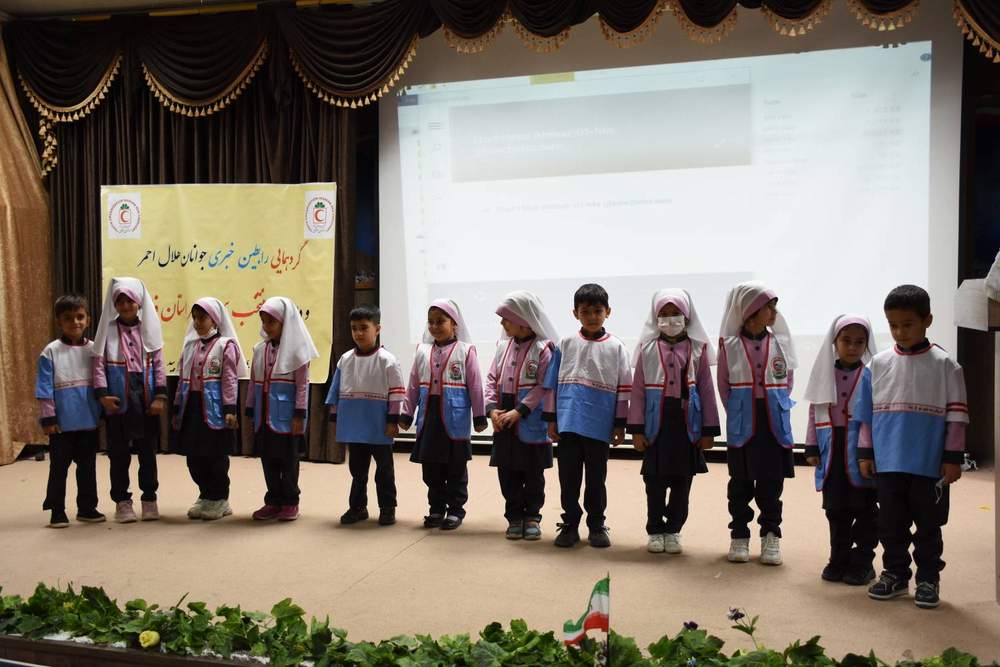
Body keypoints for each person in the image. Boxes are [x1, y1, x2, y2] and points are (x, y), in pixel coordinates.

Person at [856, 285, 968, 609]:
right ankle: (895, 574)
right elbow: (865, 416)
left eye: (908, 324)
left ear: (927, 320)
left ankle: (928, 578)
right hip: (888, 463)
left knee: (929, 526)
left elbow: (957, 417)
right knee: (890, 524)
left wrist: (952, 458)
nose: (900, 332)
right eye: (893, 325)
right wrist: (866, 452)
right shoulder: (877, 364)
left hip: (928, 464)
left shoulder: (946, 365)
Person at [628, 288, 720, 554]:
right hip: (656, 428)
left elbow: (706, 389)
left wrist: (709, 430)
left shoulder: (697, 349)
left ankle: (674, 529)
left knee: (682, 484)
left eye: (675, 313)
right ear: (655, 318)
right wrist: (636, 430)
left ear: (687, 316)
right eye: (664, 314)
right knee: (654, 485)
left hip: (686, 428)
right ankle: (655, 529)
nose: (670, 319)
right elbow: (638, 391)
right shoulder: (646, 349)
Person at [543, 283, 631, 549]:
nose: (592, 316)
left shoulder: (616, 347)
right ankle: (570, 524)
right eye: (585, 311)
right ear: (575, 313)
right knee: (568, 479)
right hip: (568, 425)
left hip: (599, 427)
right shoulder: (565, 344)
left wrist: (619, 425)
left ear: (608, 312)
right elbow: (551, 384)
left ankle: (596, 524)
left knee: (596, 480)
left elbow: (624, 389)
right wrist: (551, 419)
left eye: (597, 311)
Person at [717, 281, 797, 565]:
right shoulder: (729, 345)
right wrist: (738, 410)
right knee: (740, 484)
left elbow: (787, 381)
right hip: (743, 425)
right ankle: (739, 535)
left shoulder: (780, 343)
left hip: (773, 424)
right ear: (750, 311)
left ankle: (771, 534)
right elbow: (724, 385)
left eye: (775, 307)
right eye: (768, 307)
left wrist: (775, 403)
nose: (774, 313)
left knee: (771, 484)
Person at [803, 314, 879, 585]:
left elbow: (874, 415)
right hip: (833, 451)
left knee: (866, 511)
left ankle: (863, 561)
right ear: (834, 342)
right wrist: (812, 445)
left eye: (859, 342)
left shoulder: (871, 374)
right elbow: (815, 411)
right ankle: (838, 558)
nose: (852, 347)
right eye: (846, 341)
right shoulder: (824, 374)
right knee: (836, 510)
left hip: (861, 451)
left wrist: (868, 452)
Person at [400, 299, 487, 531]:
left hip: (455, 420)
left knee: (456, 468)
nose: (435, 326)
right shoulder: (422, 350)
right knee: (431, 468)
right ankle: (436, 508)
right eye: (431, 322)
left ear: (454, 324)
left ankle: (456, 510)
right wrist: (406, 413)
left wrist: (480, 415)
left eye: (441, 321)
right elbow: (413, 385)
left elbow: (475, 385)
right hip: (429, 418)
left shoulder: (466, 350)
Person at [485, 291, 559, 541]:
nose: (502, 323)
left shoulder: (544, 349)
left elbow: (544, 386)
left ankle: (532, 516)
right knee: (507, 472)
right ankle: (514, 516)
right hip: (503, 416)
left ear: (523, 319)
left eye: (506, 318)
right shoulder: (502, 346)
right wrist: (492, 409)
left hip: (530, 419)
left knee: (533, 473)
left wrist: (520, 411)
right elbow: (491, 378)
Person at [92, 277, 167, 523]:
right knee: (119, 454)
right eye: (120, 301)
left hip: (145, 399)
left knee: (147, 453)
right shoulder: (107, 330)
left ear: (139, 303)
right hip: (117, 399)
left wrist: (160, 396)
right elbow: (98, 364)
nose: (125, 306)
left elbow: (158, 365)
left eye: (130, 301)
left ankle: (149, 499)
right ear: (114, 304)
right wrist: (103, 395)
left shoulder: (149, 329)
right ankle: (122, 501)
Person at [326, 305, 405, 527]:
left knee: (384, 470)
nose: (358, 333)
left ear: (377, 329)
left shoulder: (388, 360)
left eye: (364, 327)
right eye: (354, 328)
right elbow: (335, 390)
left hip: (379, 426)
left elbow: (397, 394)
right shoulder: (345, 359)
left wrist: (392, 421)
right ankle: (358, 507)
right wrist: (335, 417)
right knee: (357, 471)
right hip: (354, 426)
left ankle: (387, 508)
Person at [173, 297, 248, 521]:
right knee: (194, 457)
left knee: (215, 456)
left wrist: (230, 409)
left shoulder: (226, 345)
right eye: (195, 318)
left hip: (215, 409)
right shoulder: (190, 346)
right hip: (192, 408)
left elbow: (229, 379)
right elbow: (182, 379)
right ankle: (205, 495)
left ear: (214, 319)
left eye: (202, 318)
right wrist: (177, 408)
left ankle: (220, 498)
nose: (197, 322)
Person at [248, 296, 318, 522]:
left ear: (285, 323)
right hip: (263, 415)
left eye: (272, 322)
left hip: (286, 418)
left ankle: (290, 501)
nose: (267, 326)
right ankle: (273, 500)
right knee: (268, 459)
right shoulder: (259, 349)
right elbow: (253, 381)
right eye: (264, 322)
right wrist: (250, 408)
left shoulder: (298, 352)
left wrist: (299, 415)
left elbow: (302, 386)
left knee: (288, 460)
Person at [36, 295, 104, 528]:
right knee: (59, 468)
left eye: (79, 317)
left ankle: (87, 508)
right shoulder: (50, 351)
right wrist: (49, 418)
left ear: (88, 320)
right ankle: (57, 510)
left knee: (87, 467)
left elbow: (100, 382)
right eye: (68, 318)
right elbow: (44, 388)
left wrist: (100, 413)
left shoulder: (95, 350)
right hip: (62, 425)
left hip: (88, 422)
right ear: (59, 322)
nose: (75, 322)